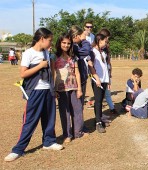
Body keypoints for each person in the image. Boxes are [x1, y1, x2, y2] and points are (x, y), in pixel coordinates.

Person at [4, 28, 63, 162]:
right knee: (30, 120)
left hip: (48, 90)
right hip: (35, 91)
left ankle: (49, 142)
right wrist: (40, 65)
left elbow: (50, 71)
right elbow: (23, 74)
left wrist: (53, 88)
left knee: (49, 118)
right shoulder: (28, 53)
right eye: (49, 40)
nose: (51, 44)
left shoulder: (47, 53)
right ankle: (18, 149)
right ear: (42, 39)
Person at [52, 33, 88, 143]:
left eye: (68, 43)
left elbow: (77, 72)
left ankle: (78, 132)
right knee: (64, 112)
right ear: (59, 43)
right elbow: (53, 73)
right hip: (61, 89)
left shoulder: (73, 57)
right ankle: (67, 134)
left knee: (77, 111)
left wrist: (79, 89)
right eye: (64, 43)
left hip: (74, 88)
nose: (66, 45)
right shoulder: (54, 56)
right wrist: (54, 89)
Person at [88, 34, 110, 133]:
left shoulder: (103, 52)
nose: (106, 43)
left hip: (104, 80)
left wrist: (108, 80)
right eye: (105, 41)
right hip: (97, 80)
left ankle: (99, 118)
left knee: (100, 100)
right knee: (98, 101)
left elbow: (105, 67)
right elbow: (91, 66)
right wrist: (96, 78)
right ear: (99, 41)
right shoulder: (92, 52)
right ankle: (98, 123)